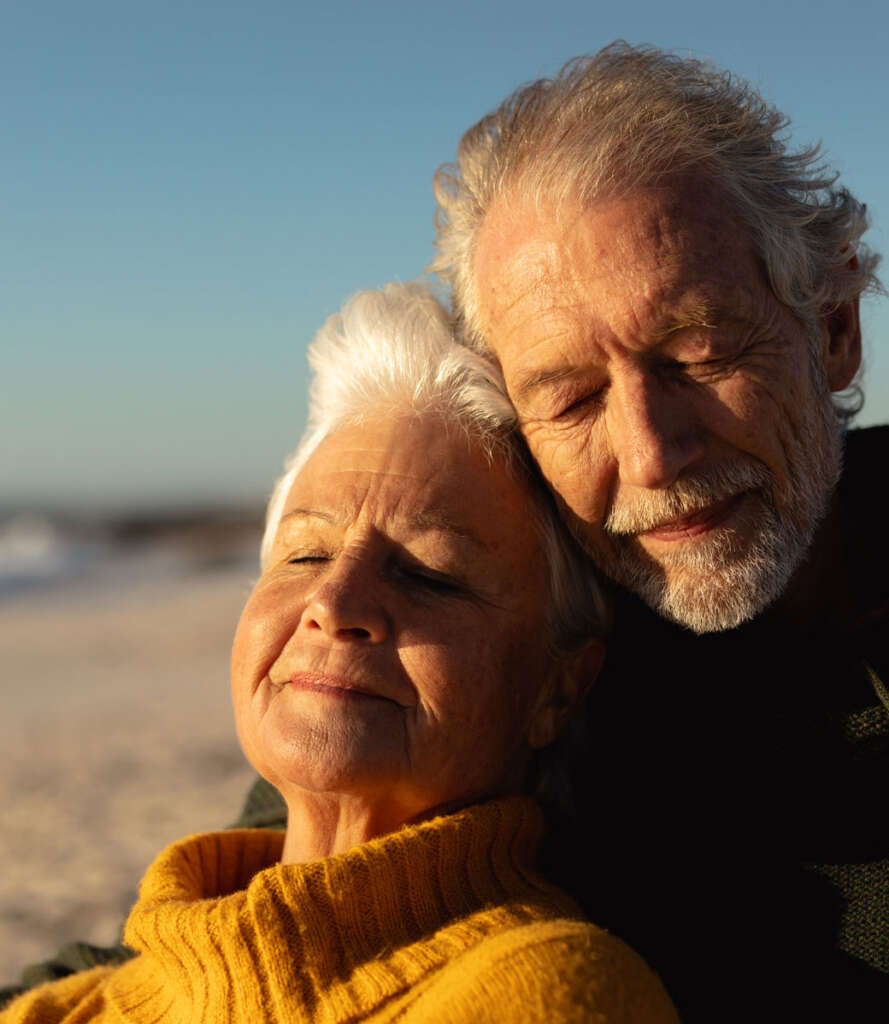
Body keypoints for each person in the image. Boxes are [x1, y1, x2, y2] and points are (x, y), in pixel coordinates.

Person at [0, 283, 679, 1023]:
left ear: (558, 686)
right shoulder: (74, 1003)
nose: (333, 603)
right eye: (305, 554)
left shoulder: (542, 991)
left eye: (428, 574)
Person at [431, 42, 888, 1021]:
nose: (650, 455)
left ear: (833, 329)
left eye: (698, 354)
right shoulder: (510, 661)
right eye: (571, 399)